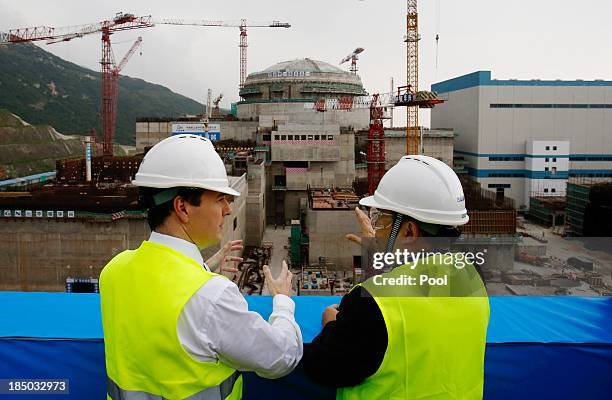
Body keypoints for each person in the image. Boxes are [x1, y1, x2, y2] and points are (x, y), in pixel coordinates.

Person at [100, 134, 302, 400]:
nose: (228, 210)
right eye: (220, 199)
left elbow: (160, 302)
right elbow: (281, 357)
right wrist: (283, 302)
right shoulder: (211, 296)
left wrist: (202, 267)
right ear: (182, 207)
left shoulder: (115, 270)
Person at [303, 155, 489, 400]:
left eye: (382, 220)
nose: (377, 228)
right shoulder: (473, 276)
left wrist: (331, 323)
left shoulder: (372, 304)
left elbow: (322, 367)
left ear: (410, 231)